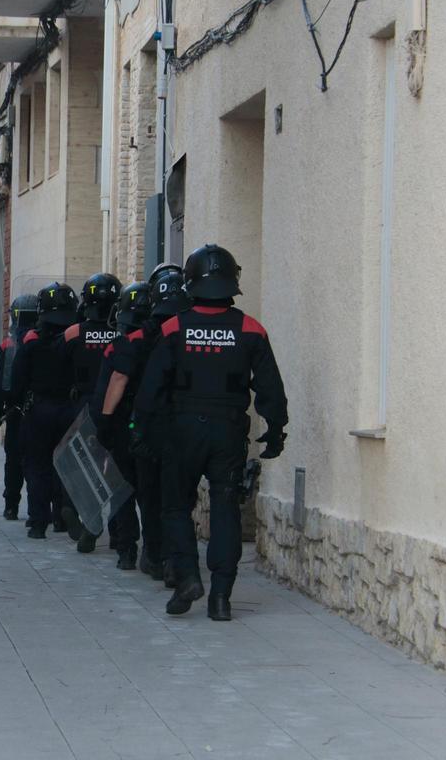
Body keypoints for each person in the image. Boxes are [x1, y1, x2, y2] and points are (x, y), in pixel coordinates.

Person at [135, 244, 288, 621]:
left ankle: (187, 576)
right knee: (225, 508)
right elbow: (270, 387)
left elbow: (151, 389)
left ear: (190, 282)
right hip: (228, 432)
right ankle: (221, 596)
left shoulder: (173, 328)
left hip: (182, 431)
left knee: (175, 506)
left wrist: (144, 432)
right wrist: (275, 430)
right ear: (232, 281)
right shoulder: (251, 329)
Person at [92, 267, 190, 580]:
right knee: (165, 495)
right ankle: (166, 556)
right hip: (176, 425)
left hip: (132, 425)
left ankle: (132, 550)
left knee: (129, 489)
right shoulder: (182, 337)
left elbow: (116, 381)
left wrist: (105, 422)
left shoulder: (131, 340)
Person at [61, 273, 125, 556]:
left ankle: (76, 509)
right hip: (116, 405)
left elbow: (58, 367)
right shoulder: (122, 335)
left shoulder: (73, 333)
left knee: (81, 464)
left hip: (82, 404)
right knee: (115, 469)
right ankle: (116, 533)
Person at [10, 282, 79, 539]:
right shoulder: (75, 342)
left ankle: (39, 522)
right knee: (67, 465)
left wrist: (16, 405)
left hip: (38, 410)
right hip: (69, 410)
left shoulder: (31, 342)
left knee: (37, 467)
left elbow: (17, 380)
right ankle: (64, 515)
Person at [0, 294, 38, 520]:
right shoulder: (43, 340)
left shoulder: (9, 344)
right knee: (37, 462)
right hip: (37, 411)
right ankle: (40, 510)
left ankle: (11, 505)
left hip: (15, 412)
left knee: (13, 462)